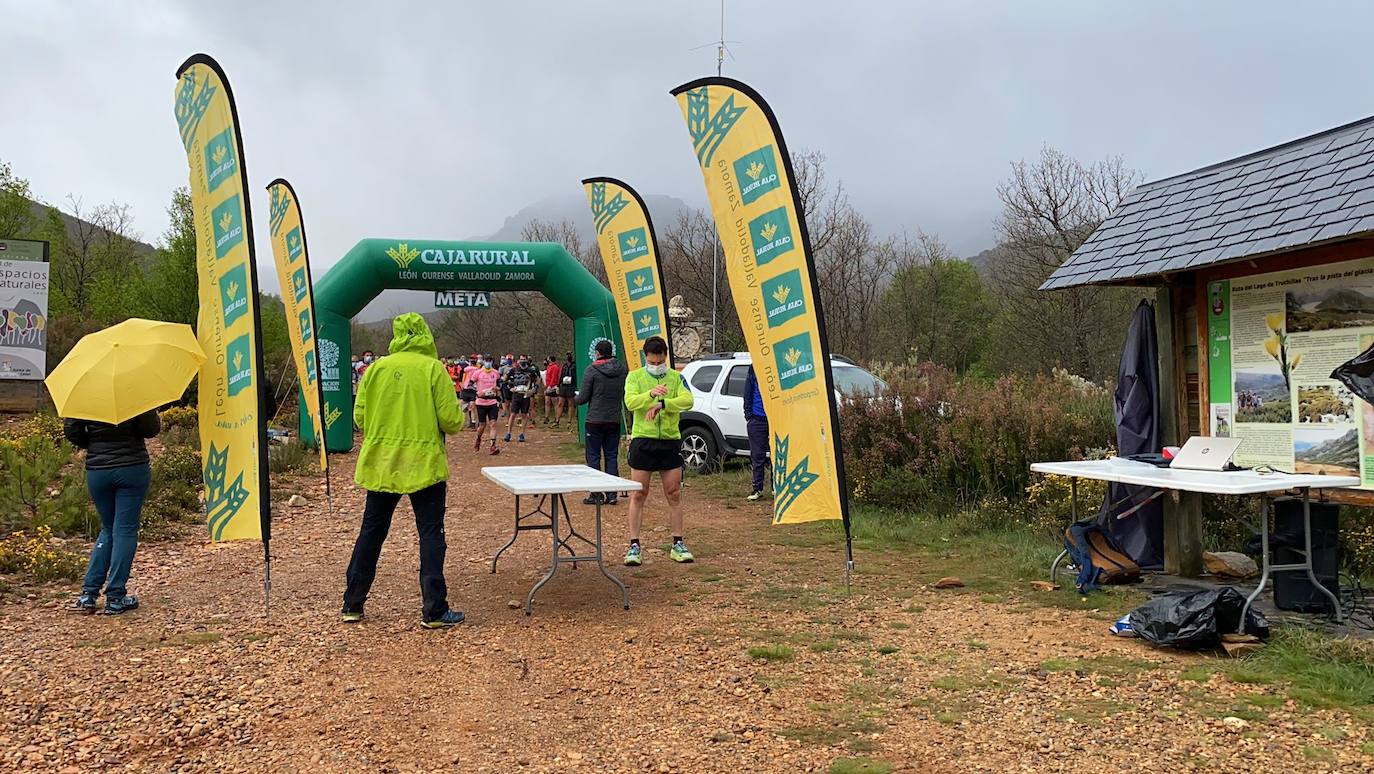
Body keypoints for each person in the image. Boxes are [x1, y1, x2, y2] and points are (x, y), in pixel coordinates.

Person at [343, 313, 465, 629]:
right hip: (424, 464)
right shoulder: (433, 369)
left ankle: (352, 604)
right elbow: (451, 421)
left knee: (371, 531)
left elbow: (360, 417)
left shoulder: (376, 369)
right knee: (431, 533)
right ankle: (435, 610)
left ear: (396, 335)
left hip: (382, 464)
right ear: (425, 334)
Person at [65, 410, 161, 614]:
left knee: (108, 528)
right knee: (125, 530)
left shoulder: (85, 392)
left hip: (97, 469)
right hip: (132, 467)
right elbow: (151, 429)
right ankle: (116, 596)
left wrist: (95, 442)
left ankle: (88, 595)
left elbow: (72, 430)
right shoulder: (134, 389)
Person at [622, 336, 695, 566]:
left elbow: (688, 400)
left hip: (669, 441)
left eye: (660, 361)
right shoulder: (635, 376)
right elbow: (630, 402)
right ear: (646, 357)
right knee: (639, 493)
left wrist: (664, 404)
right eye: (652, 362)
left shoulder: (675, 378)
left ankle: (678, 543)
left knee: (673, 493)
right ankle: (634, 545)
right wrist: (651, 395)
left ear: (665, 356)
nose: (656, 365)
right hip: (643, 440)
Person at [576, 340, 627, 505]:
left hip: (595, 420)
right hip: (613, 419)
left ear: (597, 353)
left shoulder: (591, 370)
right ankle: (612, 494)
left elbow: (582, 398)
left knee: (593, 456)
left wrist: (574, 397)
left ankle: (596, 494)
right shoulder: (622, 370)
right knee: (611, 456)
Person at [742, 366, 770, 501]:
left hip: (776, 418)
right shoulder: (754, 368)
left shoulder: (778, 363)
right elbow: (747, 392)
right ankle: (757, 488)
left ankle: (777, 488)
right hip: (757, 418)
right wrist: (749, 415)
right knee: (757, 455)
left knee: (779, 454)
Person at [466, 354, 503, 455]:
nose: (488, 362)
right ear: (483, 362)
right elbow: (470, 384)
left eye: (490, 360)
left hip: (492, 401)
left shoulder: (496, 373)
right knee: (482, 425)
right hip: (481, 402)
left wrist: (497, 389)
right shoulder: (478, 373)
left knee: (493, 423)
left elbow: (500, 385)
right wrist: (477, 391)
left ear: (492, 362)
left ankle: (493, 446)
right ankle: (478, 439)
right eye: (486, 360)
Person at [503, 355, 540, 443]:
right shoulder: (514, 369)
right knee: (513, 414)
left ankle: (522, 434)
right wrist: (510, 387)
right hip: (516, 394)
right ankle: (508, 433)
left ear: (527, 360)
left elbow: (538, 379)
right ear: (518, 360)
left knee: (524, 414)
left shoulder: (531, 370)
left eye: (524, 359)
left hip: (526, 395)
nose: (522, 361)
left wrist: (534, 390)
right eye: (521, 359)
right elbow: (505, 379)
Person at [555, 351, 577, 427]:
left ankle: (569, 422)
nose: (568, 356)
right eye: (567, 355)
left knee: (571, 404)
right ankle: (557, 421)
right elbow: (561, 376)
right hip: (563, 386)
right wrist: (558, 386)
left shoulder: (575, 365)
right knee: (560, 403)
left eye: (570, 354)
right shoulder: (564, 365)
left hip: (571, 386)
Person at [544, 354, 563, 426]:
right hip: (548, 386)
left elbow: (554, 377)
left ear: (550, 359)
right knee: (547, 402)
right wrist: (546, 386)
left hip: (553, 387)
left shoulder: (555, 367)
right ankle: (546, 417)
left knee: (555, 403)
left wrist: (550, 386)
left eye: (548, 359)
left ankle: (556, 418)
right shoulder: (548, 367)